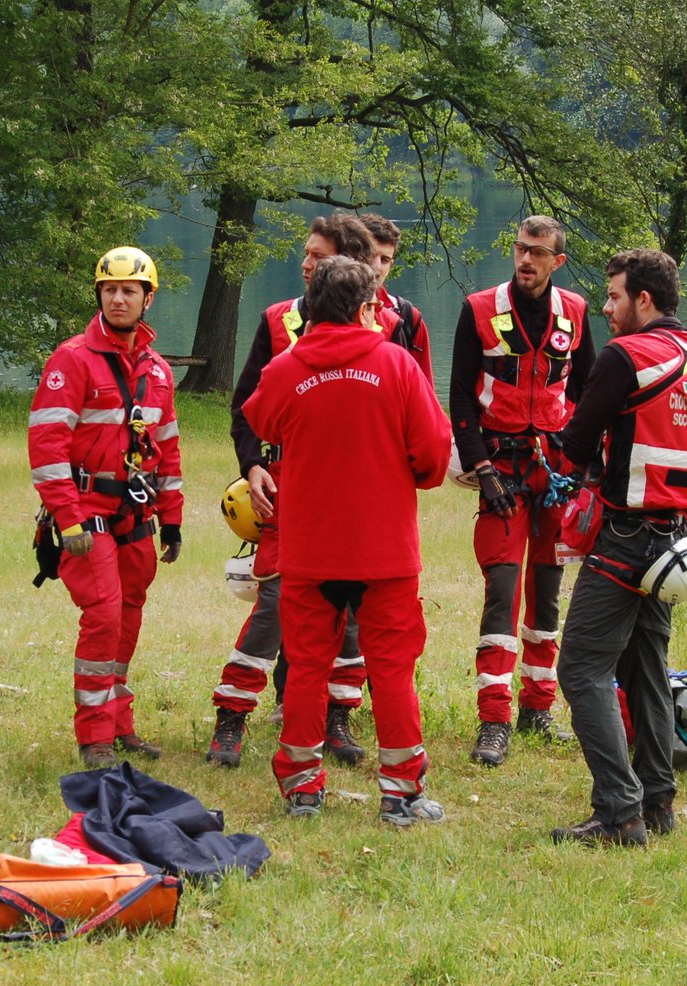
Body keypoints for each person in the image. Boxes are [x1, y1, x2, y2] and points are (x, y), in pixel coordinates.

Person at [242, 255, 452, 824]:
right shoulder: (399, 365)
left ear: (309, 307)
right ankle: (401, 794)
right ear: (366, 309)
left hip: (309, 549)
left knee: (307, 667)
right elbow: (433, 457)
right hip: (384, 549)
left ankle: (302, 789)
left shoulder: (286, 368)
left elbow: (260, 421)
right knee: (391, 669)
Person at [553, 249, 687, 846]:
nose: (606, 310)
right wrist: (683, 477)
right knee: (646, 671)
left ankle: (620, 813)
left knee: (582, 668)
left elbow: (576, 443)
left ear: (644, 299)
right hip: (677, 544)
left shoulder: (625, 356)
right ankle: (658, 802)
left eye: (613, 297)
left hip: (624, 539)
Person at [206, 212, 385, 769]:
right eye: (306, 253)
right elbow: (246, 408)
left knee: (353, 610)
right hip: (289, 487)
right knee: (276, 604)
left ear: (348, 262)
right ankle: (231, 718)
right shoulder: (279, 319)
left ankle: (338, 718)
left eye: (316, 254)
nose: (305, 263)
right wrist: (253, 464)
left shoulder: (389, 323)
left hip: (357, 492)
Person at [448, 215, 597, 767]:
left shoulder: (576, 313)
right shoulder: (479, 310)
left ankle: (538, 707)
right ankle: (494, 719)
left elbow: (587, 391)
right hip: (501, 467)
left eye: (538, 252)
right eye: (519, 249)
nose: (526, 260)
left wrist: (582, 466)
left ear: (558, 261)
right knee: (503, 590)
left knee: (548, 590)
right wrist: (482, 468)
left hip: (555, 471)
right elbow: (460, 397)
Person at [29, 246, 184, 768]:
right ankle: (93, 734)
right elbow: (47, 448)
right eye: (110, 290)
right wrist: (67, 516)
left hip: (136, 516)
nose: (118, 299)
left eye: (129, 291)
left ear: (147, 299)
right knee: (103, 616)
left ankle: (120, 723)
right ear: (99, 295)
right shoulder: (72, 359)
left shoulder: (158, 370)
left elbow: (168, 446)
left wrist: (173, 518)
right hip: (86, 513)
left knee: (130, 616)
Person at [358, 213, 434, 380]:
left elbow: (425, 390)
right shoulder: (323, 309)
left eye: (385, 260)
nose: (376, 268)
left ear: (391, 264)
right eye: (369, 255)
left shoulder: (408, 317)